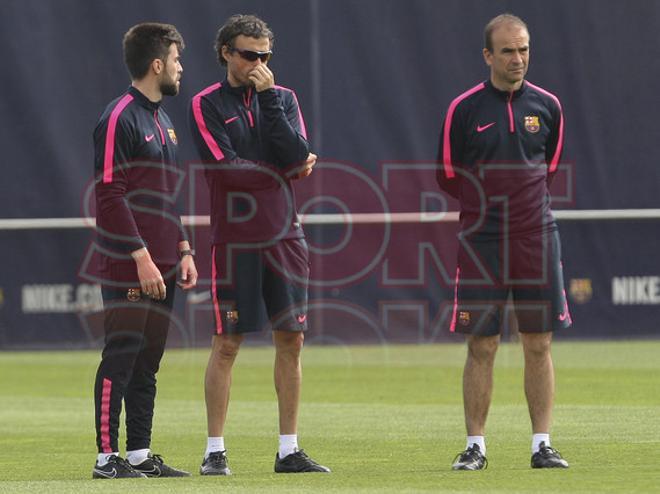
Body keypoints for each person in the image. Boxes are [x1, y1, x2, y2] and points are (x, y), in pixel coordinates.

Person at [189, 14, 328, 475]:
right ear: (227, 52)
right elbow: (224, 169)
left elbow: (294, 149)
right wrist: (282, 170)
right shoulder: (205, 103)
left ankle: (288, 449)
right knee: (227, 343)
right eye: (249, 55)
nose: (258, 64)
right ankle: (215, 451)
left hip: (286, 236)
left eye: (265, 56)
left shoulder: (282, 98)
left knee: (292, 340)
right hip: (235, 241)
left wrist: (268, 98)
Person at [436, 14, 571, 470]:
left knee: (538, 343)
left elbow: (547, 169)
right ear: (488, 56)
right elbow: (449, 175)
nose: (518, 59)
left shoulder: (549, 106)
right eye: (509, 51)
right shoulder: (465, 108)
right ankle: (475, 446)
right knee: (483, 344)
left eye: (525, 49)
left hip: (537, 237)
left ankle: (542, 445)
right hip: (482, 243)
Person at [91, 22, 197, 479]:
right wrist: (140, 255)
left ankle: (139, 453)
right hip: (128, 265)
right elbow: (110, 195)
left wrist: (184, 247)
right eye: (175, 60)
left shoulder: (164, 122)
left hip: (166, 264)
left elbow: (165, 198)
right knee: (122, 353)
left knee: (149, 360)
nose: (180, 67)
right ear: (156, 65)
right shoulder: (119, 117)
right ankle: (106, 458)